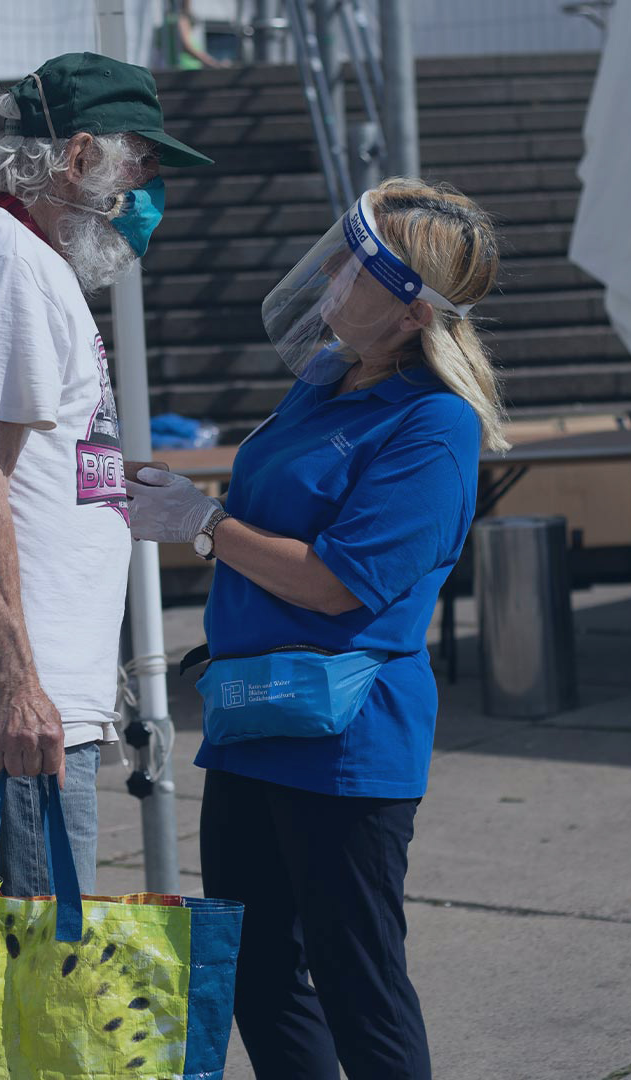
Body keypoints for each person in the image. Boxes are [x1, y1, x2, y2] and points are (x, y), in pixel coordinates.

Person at [127, 178, 507, 1078]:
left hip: (345, 737)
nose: (330, 275)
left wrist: (205, 524)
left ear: (413, 313)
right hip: (255, 717)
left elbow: (341, 585)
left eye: (355, 265)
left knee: (356, 978)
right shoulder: (326, 382)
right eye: (334, 254)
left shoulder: (434, 422)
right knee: (254, 973)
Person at [0, 53, 211, 899]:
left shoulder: (10, 257)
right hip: (20, 710)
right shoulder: (8, 265)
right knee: (25, 990)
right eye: (142, 162)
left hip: (22, 703)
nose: (147, 189)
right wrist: (19, 685)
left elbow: (13, 464)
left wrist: (102, 481)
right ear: (78, 154)